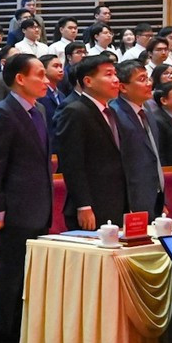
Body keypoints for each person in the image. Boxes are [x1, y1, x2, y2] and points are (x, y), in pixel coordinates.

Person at [0, 52, 52, 343]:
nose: (46, 81)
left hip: (39, 207)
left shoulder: (40, 112)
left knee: (28, 277)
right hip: (15, 210)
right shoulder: (3, 112)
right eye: (39, 75)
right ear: (20, 79)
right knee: (8, 278)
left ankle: (22, 336)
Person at [52, 53, 127, 229]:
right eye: (108, 74)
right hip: (92, 204)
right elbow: (72, 163)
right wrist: (83, 205)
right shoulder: (75, 111)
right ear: (88, 81)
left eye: (115, 74)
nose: (116, 80)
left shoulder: (112, 111)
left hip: (115, 202)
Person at [111, 57, 164, 217]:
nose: (149, 83)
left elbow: (154, 155)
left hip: (155, 194)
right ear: (123, 87)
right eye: (142, 79)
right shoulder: (115, 113)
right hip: (132, 198)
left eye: (148, 78)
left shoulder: (147, 111)